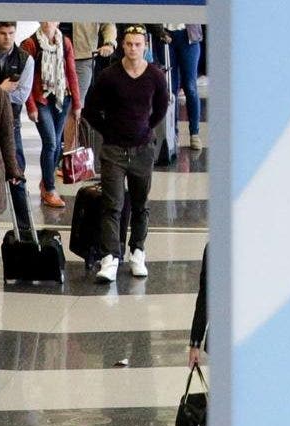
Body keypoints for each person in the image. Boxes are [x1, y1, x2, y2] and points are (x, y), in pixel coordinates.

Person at [83, 24, 173, 281]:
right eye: (129, 44)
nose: (133, 49)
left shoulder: (155, 76)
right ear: (122, 45)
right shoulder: (109, 76)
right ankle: (110, 256)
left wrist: (145, 129)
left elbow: (160, 108)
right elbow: (91, 109)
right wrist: (109, 131)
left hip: (143, 149)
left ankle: (138, 251)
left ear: (145, 46)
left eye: (138, 44)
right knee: (112, 204)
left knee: (140, 204)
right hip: (113, 149)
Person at [0, 27, 36, 239]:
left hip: (11, 126)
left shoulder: (25, 59)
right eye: (3, 33)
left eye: (11, 33)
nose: (7, 38)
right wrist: (2, 89)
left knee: (16, 175)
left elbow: (21, 95)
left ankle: (24, 229)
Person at [25, 21, 81, 209]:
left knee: (57, 144)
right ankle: (49, 189)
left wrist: (77, 104)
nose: (49, 21)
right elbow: (27, 79)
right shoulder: (31, 44)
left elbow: (71, 72)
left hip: (62, 98)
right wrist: (31, 105)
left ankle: (46, 180)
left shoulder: (64, 42)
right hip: (42, 99)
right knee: (50, 142)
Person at [169, 22, 204, 150]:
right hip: (165, 34)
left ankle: (194, 133)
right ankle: (172, 132)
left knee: (190, 87)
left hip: (188, 35)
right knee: (170, 88)